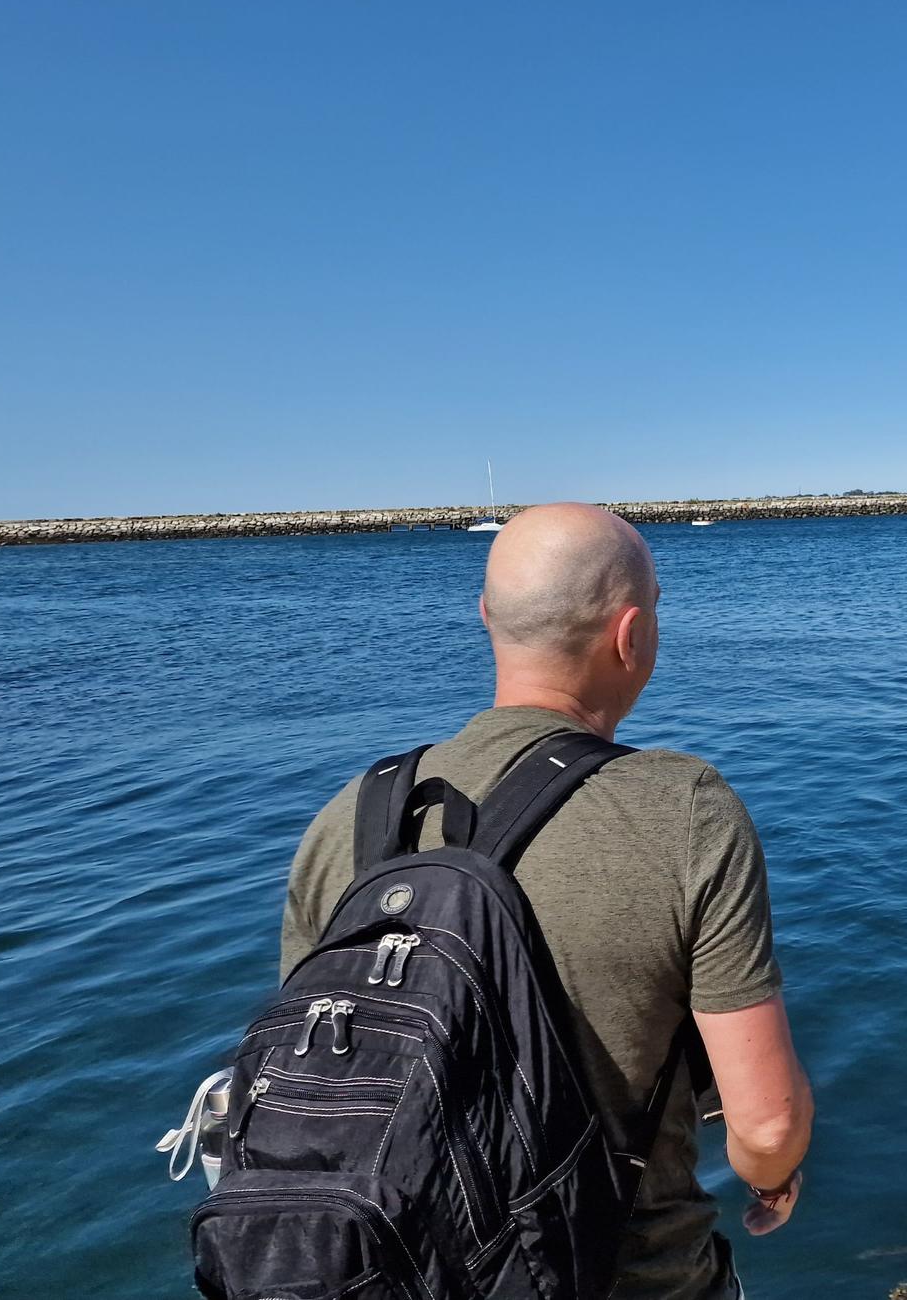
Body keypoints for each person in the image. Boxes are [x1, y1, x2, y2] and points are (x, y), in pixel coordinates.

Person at [281, 504, 813, 1299]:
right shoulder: (686, 809)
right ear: (631, 635)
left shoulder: (350, 817)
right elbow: (764, 1131)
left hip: (385, 1273)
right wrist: (775, 1177)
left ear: (486, 618)